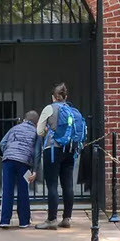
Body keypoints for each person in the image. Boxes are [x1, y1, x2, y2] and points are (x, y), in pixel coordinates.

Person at [34, 83, 85, 229]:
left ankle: (51, 220)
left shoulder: (49, 108)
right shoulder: (72, 110)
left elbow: (39, 131)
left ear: (53, 97)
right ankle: (67, 218)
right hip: (70, 150)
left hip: (53, 150)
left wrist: (46, 130)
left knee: (52, 185)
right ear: (65, 97)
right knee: (68, 184)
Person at [0, 110, 41, 228]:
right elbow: (37, 152)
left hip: (8, 161)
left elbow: (2, 143)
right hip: (24, 162)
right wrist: (35, 169)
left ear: (24, 119)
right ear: (36, 122)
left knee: (7, 189)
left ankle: (5, 220)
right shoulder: (36, 132)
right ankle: (24, 221)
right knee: (23, 190)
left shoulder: (14, 128)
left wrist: (8, 152)